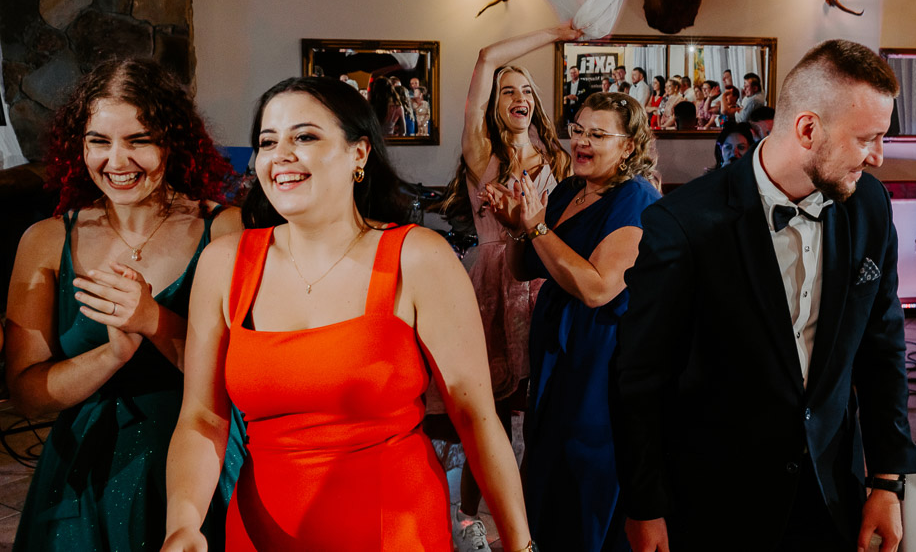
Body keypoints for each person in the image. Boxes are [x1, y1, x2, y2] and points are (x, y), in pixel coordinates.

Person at [162, 77, 535, 552]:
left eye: (304, 136)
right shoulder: (224, 263)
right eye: (267, 142)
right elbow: (202, 418)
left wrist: (521, 544)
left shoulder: (417, 257)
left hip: (393, 535)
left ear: (359, 153)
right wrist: (183, 523)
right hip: (261, 533)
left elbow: (475, 417)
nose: (280, 155)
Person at [614, 40, 916, 552]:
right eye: (867, 139)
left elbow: (883, 346)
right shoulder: (685, 222)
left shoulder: (869, 204)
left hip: (831, 494)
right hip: (717, 503)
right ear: (808, 129)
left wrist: (887, 480)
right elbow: (640, 377)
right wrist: (644, 504)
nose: (878, 157)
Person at [5, 58, 245, 551]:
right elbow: (27, 394)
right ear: (79, 146)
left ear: (173, 141)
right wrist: (110, 355)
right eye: (99, 141)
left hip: (199, 469)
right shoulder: (46, 240)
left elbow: (242, 378)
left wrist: (153, 319)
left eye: (139, 140)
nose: (117, 161)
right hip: (82, 474)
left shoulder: (226, 229)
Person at [492, 92, 660, 552]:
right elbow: (524, 269)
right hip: (555, 348)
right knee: (546, 455)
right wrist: (517, 228)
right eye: (579, 130)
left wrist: (537, 227)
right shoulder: (569, 190)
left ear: (628, 146)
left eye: (598, 135)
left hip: (599, 354)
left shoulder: (636, 200)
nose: (582, 142)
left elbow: (597, 288)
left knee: (584, 464)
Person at [440, 24, 576, 550]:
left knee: (541, 409)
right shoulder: (483, 155)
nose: (519, 97)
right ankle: (470, 522)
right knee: (489, 412)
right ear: (493, 105)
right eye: (507, 91)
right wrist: (559, 32)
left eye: (526, 91)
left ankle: (530, 519)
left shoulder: (560, 161)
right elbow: (486, 56)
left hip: (543, 284)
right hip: (491, 286)